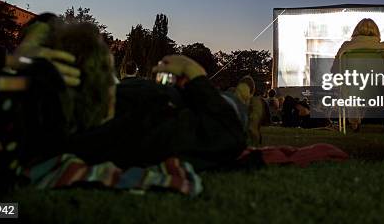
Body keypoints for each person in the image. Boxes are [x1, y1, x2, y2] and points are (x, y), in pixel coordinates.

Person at [13, 15, 246, 170]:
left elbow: (47, 20)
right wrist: (195, 76)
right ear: (107, 87)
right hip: (201, 103)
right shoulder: (144, 134)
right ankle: (243, 94)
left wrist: (23, 57)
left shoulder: (44, 115)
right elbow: (227, 135)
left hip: (150, 91)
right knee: (234, 102)